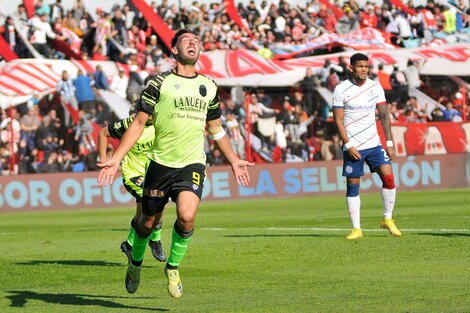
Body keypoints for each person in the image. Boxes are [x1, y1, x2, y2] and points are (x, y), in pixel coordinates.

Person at [97, 29, 254, 298]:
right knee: (146, 224)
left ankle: (172, 267)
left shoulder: (209, 86)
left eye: (196, 40)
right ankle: (135, 264)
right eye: (186, 40)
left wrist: (233, 159)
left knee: (187, 216)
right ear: (174, 51)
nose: (193, 42)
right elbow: (138, 124)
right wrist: (116, 159)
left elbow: (216, 129)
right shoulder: (159, 83)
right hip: (159, 165)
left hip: (192, 164)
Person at [332, 53, 401, 240]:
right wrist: (348, 144)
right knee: (353, 186)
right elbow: (337, 120)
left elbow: (384, 116)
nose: (364, 70)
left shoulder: (375, 87)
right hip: (353, 147)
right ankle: (356, 228)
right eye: (360, 66)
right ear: (351, 68)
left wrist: (389, 143)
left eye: (366, 66)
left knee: (389, 179)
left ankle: (387, 219)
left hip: (374, 144)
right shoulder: (341, 89)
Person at [98, 111, 166, 264]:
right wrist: (104, 162)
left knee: (142, 214)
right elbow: (103, 133)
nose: (153, 115)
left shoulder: (161, 122)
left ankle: (129, 245)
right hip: (133, 174)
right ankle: (155, 239)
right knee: (157, 199)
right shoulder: (129, 124)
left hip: (151, 174)